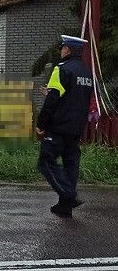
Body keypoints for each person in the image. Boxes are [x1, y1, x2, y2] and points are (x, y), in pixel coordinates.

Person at [36, 34, 94, 217]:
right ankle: (64, 206)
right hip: (76, 127)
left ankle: (69, 195)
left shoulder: (61, 69)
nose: (61, 51)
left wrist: (41, 124)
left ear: (67, 49)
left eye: (62, 48)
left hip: (58, 126)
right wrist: (51, 94)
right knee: (70, 164)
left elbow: (53, 100)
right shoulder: (86, 72)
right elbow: (74, 99)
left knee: (45, 162)